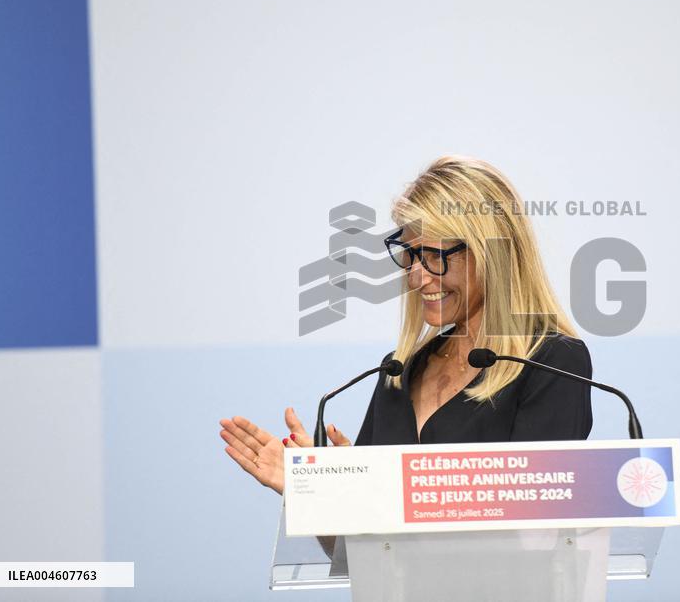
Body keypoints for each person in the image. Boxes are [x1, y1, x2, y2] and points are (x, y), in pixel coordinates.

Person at [220, 156, 592, 495]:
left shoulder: (552, 362)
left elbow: (536, 523)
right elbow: (358, 556)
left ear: (492, 255)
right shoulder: (398, 373)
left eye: (435, 255)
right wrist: (326, 496)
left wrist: (374, 498)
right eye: (412, 255)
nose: (417, 276)